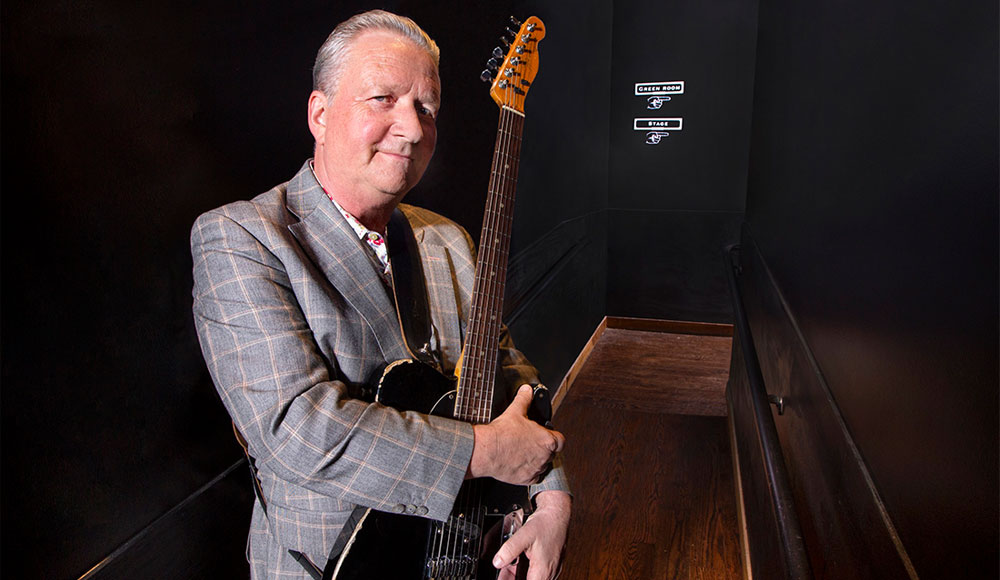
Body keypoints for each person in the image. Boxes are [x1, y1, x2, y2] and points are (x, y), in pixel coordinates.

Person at [191, 10, 571, 580]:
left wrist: (553, 499)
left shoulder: (448, 241)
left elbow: (509, 374)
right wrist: (487, 451)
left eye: (426, 109)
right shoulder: (242, 239)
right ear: (320, 114)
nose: (413, 128)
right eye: (383, 99)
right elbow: (298, 430)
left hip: (465, 552)